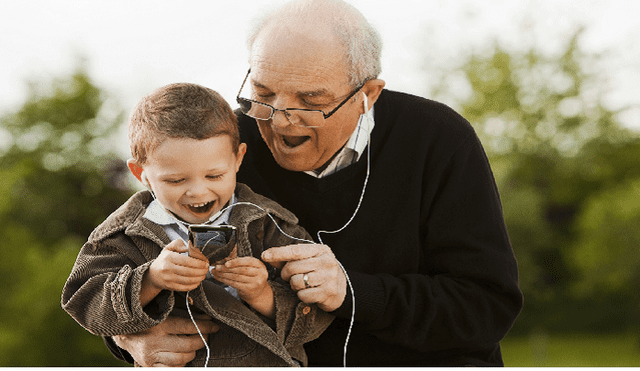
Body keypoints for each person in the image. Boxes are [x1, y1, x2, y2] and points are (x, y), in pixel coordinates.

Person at [106, 0, 524, 366]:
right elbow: (126, 253)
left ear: (369, 94)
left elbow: (485, 307)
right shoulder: (222, 148)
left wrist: (351, 291)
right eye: (263, 93)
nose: (282, 119)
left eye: (312, 101)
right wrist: (128, 337)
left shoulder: (438, 138)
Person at [61, 82, 333, 367]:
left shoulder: (269, 224)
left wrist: (261, 294)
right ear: (141, 173)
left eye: (214, 176)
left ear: (238, 159)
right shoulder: (123, 235)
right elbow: (85, 304)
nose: (198, 192)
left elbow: (319, 313)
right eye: (176, 180)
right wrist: (151, 279)